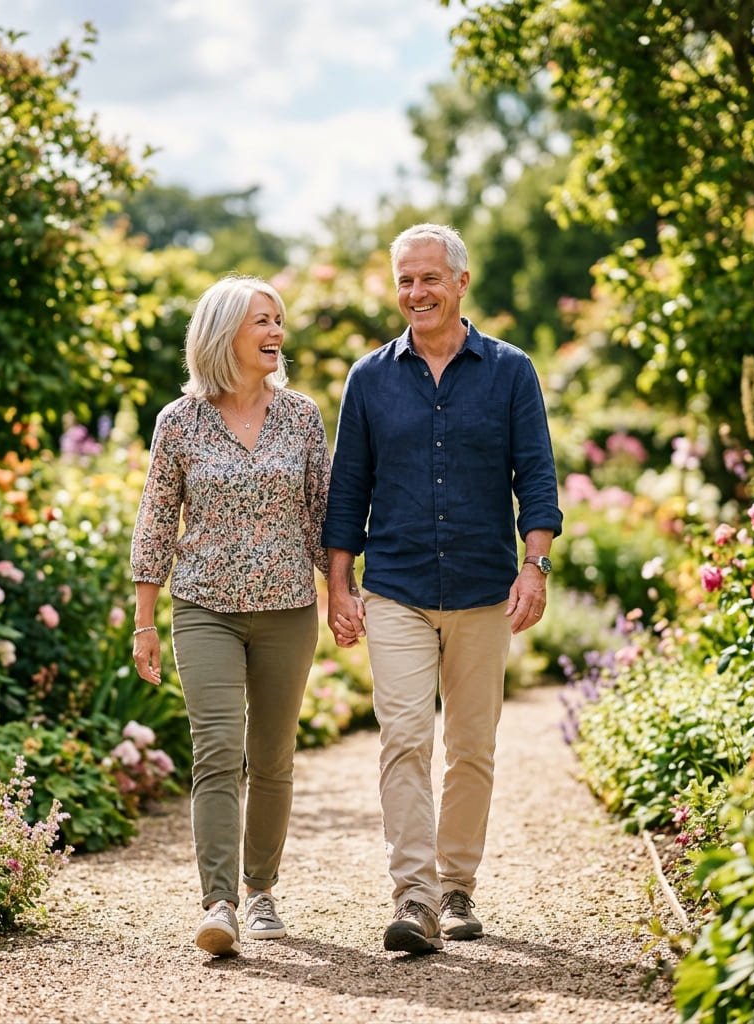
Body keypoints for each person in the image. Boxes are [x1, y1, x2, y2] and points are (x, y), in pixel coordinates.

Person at [323, 223, 563, 955]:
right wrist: (340, 583)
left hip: (483, 586)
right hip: (394, 587)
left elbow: (537, 477)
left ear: (461, 282)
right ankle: (416, 895)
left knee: (471, 746)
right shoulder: (368, 378)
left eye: (429, 278)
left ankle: (458, 886)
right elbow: (346, 492)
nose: (415, 293)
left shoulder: (511, 370)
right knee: (403, 738)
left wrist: (535, 565)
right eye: (404, 280)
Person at [130, 274, 331, 958]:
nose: (277, 333)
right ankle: (219, 902)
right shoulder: (177, 422)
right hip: (204, 607)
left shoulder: (303, 416)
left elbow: (322, 515)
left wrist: (344, 594)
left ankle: (262, 891)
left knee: (271, 756)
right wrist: (145, 619)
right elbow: (156, 520)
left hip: (286, 608)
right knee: (217, 750)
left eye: (278, 320)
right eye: (261, 322)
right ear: (223, 335)